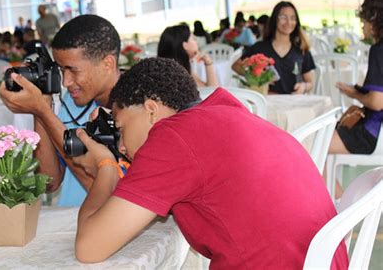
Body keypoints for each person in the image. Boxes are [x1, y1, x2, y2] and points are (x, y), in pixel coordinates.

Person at [70, 57, 348, 268]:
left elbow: (89, 248)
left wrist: (106, 166)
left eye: (122, 128)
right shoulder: (224, 111)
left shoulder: (172, 137)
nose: (122, 146)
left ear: (151, 110)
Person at [0, 14, 121, 206]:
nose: (66, 81)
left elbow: (107, 192)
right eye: (62, 70)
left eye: (74, 70)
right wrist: (41, 107)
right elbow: (48, 182)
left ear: (108, 64)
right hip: (71, 219)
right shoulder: (71, 102)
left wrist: (44, 112)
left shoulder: (136, 110)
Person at [329, 0, 383, 156]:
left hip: (371, 133)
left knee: (311, 144)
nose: (362, 25)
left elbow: (376, 102)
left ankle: (331, 183)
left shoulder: (379, 50)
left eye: (364, 19)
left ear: (373, 19)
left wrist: (354, 94)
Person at [232, 1, 315, 94]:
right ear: (275, 20)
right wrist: (256, 77)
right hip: (268, 104)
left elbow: (310, 82)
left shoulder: (301, 49)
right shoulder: (260, 48)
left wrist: (303, 86)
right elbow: (235, 66)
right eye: (283, 17)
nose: (289, 22)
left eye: (293, 18)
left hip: (294, 103)